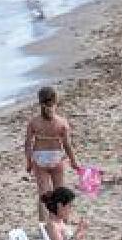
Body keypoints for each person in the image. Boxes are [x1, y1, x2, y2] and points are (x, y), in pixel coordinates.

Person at [24, 87, 82, 221]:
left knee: (44, 194)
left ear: (40, 103)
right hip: (56, 158)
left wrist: (28, 162)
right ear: (56, 102)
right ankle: (62, 221)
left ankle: (43, 224)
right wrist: (74, 162)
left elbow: (27, 144)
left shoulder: (34, 122)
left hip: (40, 159)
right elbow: (67, 145)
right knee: (60, 192)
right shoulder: (62, 122)